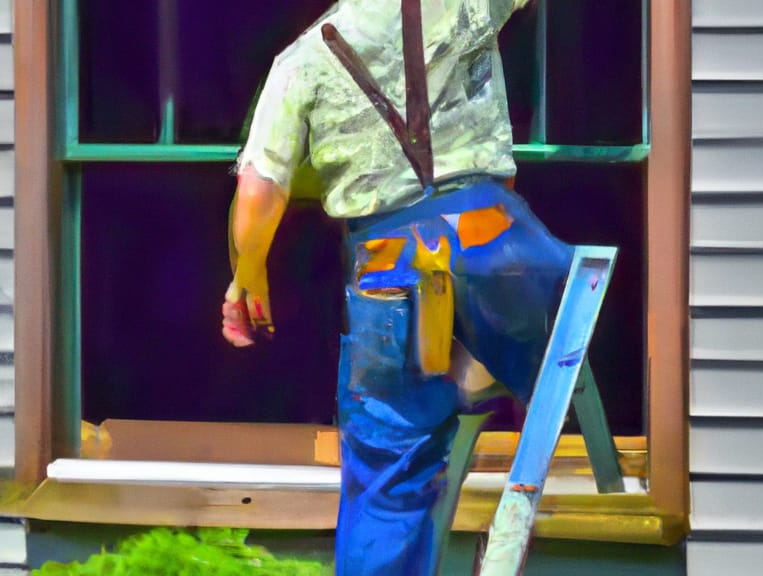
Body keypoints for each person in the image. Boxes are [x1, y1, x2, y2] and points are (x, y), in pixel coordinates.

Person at [220, 1, 570, 573]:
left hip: (392, 270)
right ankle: (482, 373)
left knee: (388, 476)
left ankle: (465, 374)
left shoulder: (301, 62)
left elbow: (260, 190)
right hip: (498, 249)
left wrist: (246, 274)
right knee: (561, 368)